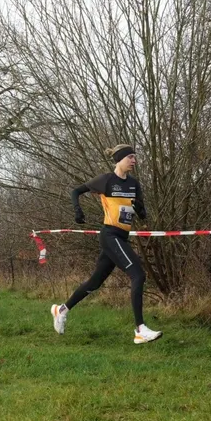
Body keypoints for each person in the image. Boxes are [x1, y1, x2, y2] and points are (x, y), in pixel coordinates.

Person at [50, 145, 163, 344]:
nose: (134, 161)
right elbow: (75, 191)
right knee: (138, 274)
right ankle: (140, 330)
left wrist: (139, 208)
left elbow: (143, 215)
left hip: (122, 236)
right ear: (119, 159)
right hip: (110, 235)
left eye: (135, 157)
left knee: (94, 283)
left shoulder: (134, 184)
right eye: (130, 157)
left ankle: (61, 310)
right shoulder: (106, 180)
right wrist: (78, 211)